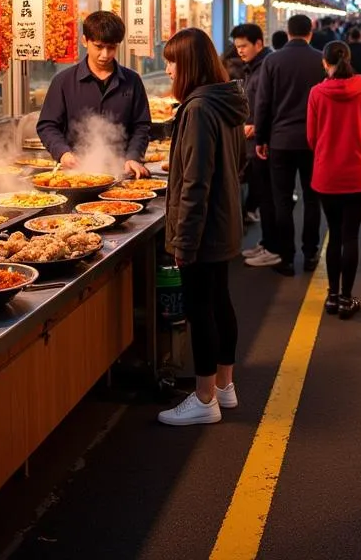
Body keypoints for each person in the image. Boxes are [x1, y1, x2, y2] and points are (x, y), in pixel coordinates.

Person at [157, 28, 249, 427]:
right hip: (225, 220)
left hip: (203, 227)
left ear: (188, 66)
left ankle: (204, 397)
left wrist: (183, 240)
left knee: (200, 310)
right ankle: (225, 387)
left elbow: (195, 181)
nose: (167, 70)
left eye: (171, 62)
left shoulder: (197, 109)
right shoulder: (227, 101)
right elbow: (238, 162)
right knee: (220, 302)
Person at [307, 41, 361, 318]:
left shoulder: (317, 93)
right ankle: (347, 298)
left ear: (325, 63)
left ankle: (331, 295)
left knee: (334, 234)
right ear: (349, 59)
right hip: (358, 173)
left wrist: (328, 150)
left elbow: (312, 138)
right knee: (350, 236)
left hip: (327, 173)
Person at [37, 10, 151, 177]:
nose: (105, 54)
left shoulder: (132, 80)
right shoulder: (63, 81)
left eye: (111, 47)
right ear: (85, 41)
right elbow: (47, 125)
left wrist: (133, 157)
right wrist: (62, 153)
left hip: (121, 171)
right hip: (76, 173)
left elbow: (142, 126)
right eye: (99, 46)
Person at [254, 14, 325, 275]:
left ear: (287, 31)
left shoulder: (273, 60)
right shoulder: (321, 59)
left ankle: (286, 257)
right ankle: (310, 253)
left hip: (280, 141)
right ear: (310, 32)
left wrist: (261, 138)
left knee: (282, 200)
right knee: (311, 199)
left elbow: (262, 103)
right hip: (312, 142)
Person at [229, 24, 278, 262]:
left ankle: (273, 249)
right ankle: (267, 242)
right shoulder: (253, 67)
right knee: (262, 194)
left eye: (244, 46)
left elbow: (273, 103)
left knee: (267, 196)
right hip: (253, 142)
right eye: (237, 46)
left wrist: (258, 126)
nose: (239, 51)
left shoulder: (267, 67)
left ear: (259, 43)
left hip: (263, 143)